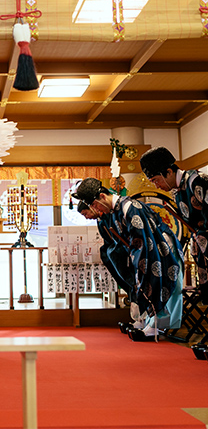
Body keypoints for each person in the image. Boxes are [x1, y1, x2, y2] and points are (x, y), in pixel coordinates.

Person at [73, 177, 184, 340]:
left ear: (103, 197)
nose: (95, 209)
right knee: (141, 281)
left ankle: (157, 325)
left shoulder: (129, 207)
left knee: (158, 281)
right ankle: (150, 322)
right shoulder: (114, 211)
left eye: (94, 205)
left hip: (159, 247)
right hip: (141, 249)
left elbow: (143, 239)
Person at [140, 146, 208, 303]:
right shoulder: (177, 191)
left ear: (169, 172)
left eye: (156, 180)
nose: (157, 186)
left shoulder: (197, 181)